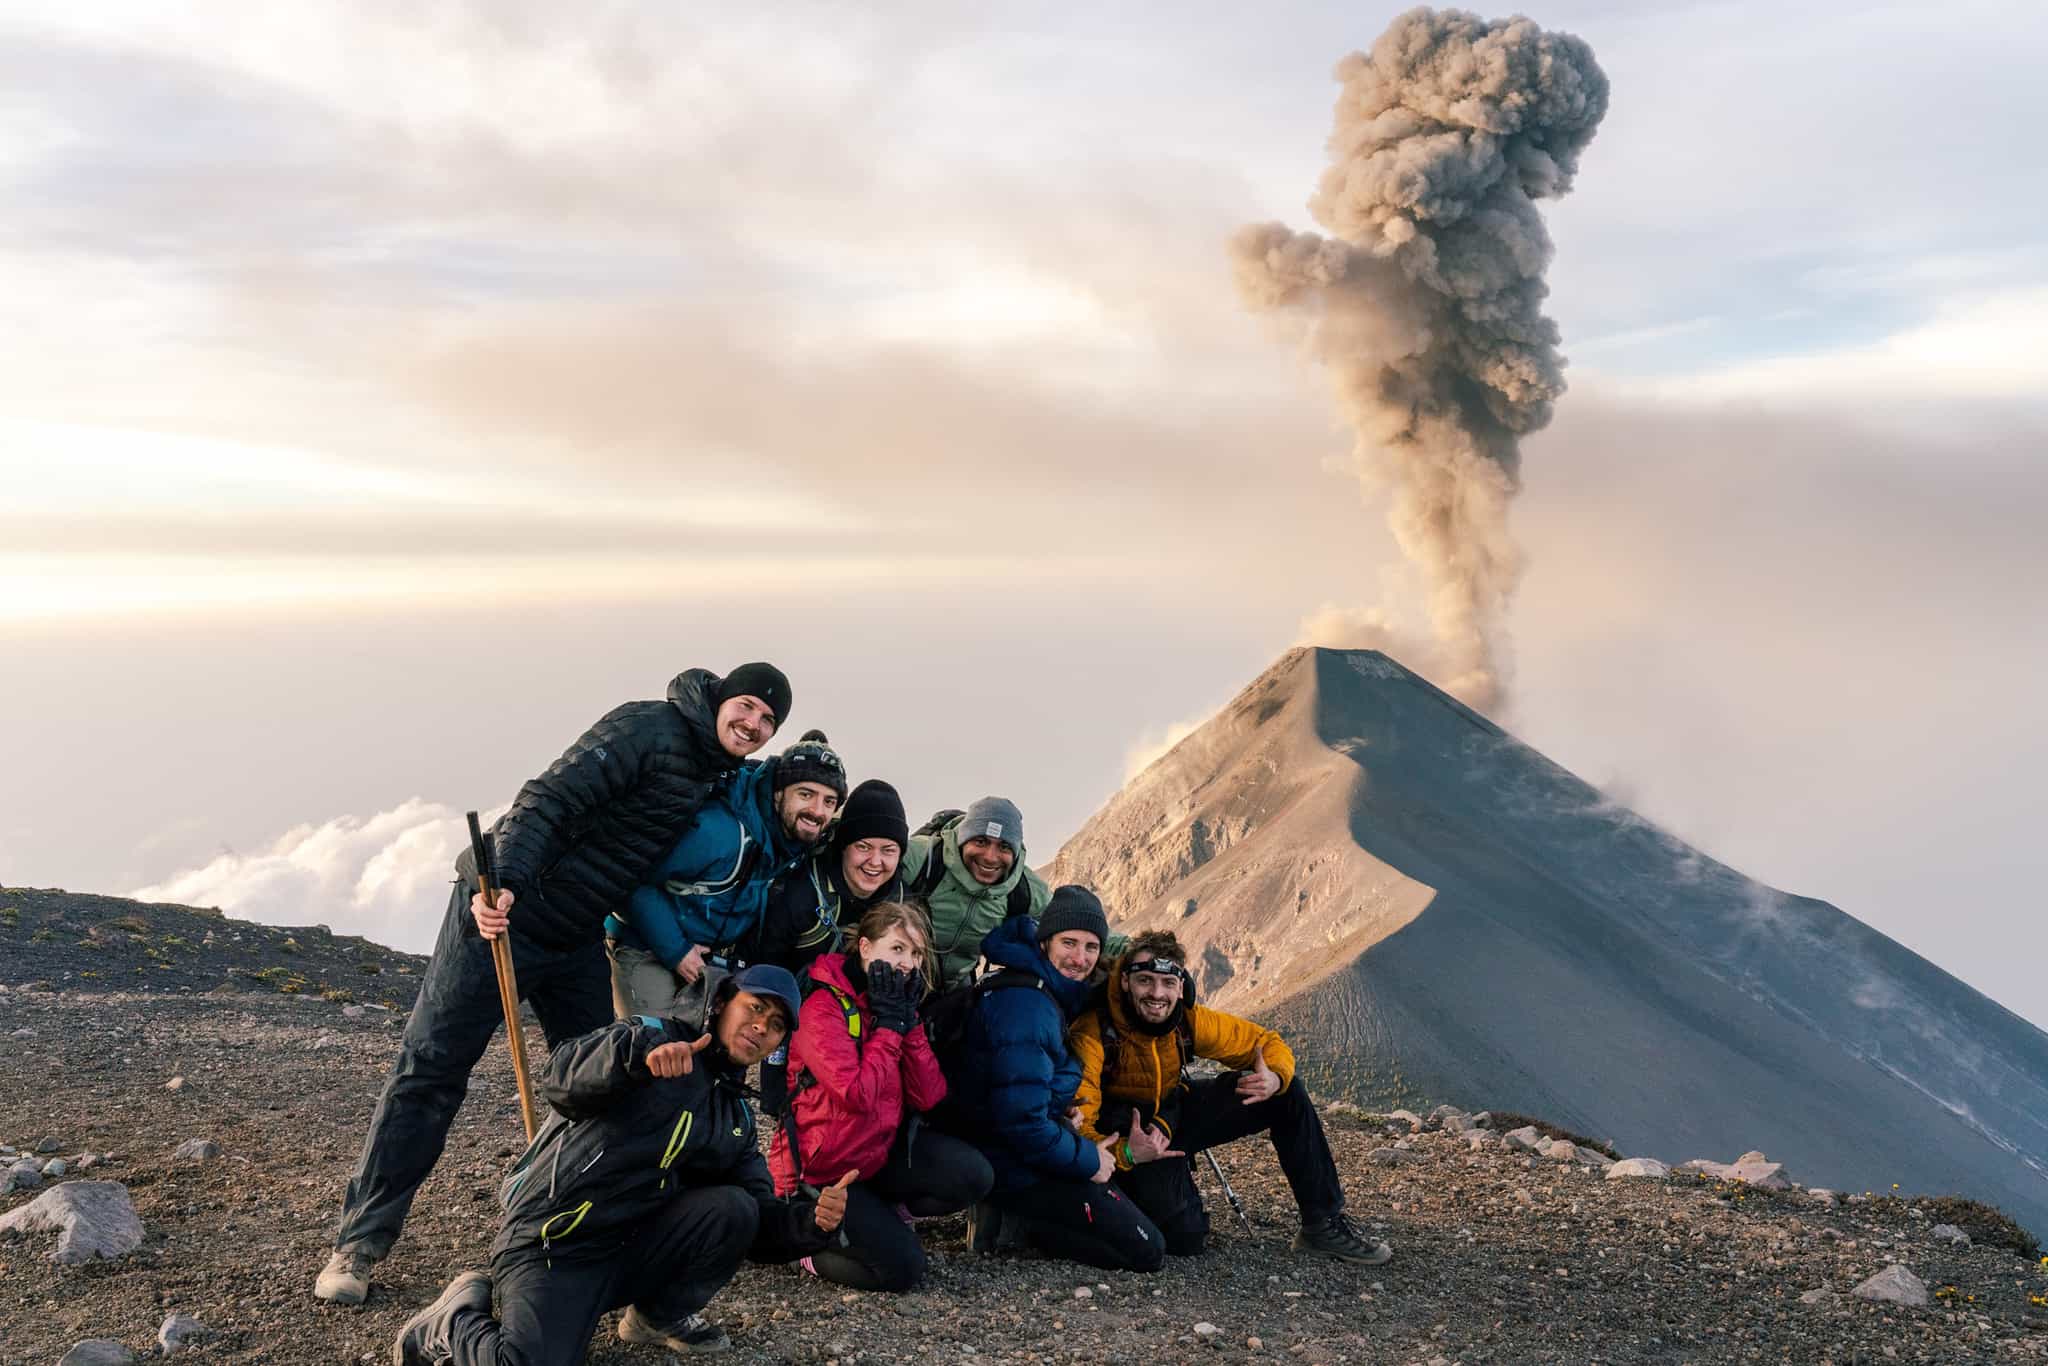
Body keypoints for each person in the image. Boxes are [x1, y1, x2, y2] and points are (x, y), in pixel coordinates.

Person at [314, 663, 793, 1306]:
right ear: (718, 699)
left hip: (576, 935)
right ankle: (360, 1242)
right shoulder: (646, 726)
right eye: (746, 708)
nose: (753, 726)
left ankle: (566, 1237)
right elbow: (547, 799)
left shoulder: (719, 769)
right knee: (432, 1068)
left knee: (602, 1084)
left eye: (768, 722)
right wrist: (503, 880)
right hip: (503, 916)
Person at [391, 965, 851, 1364]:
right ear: (722, 1001)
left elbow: (757, 1222)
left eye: (774, 1024)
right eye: (753, 1008)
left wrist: (811, 1223)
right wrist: (633, 1061)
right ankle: (454, 1320)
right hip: (555, 1243)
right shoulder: (647, 1036)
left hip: (628, 1252)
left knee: (735, 1208)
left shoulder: (735, 1115)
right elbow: (561, 1077)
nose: (760, 1027)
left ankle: (657, 1317)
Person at [1070, 929, 1393, 1265]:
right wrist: (1126, 1153)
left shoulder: (1189, 1021)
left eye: (1168, 984)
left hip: (1173, 1114)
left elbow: (1265, 1042)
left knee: (1286, 1093)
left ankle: (1322, 1225)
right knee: (1184, 1239)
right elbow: (1081, 1130)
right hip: (1125, 1135)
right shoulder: (1094, 1034)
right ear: (1125, 982)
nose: (1157, 994)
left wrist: (1273, 1076)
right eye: (1145, 981)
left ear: (1181, 988)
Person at [767, 900, 992, 1291]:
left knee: (973, 1175)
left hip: (871, 1158)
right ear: (866, 948)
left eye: (917, 953)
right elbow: (856, 1096)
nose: (908, 963)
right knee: (902, 1270)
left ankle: (880, 1215)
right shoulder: (822, 1007)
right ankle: (802, 1241)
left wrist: (909, 1024)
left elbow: (929, 1096)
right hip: (824, 1173)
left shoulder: (888, 1001)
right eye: (898, 948)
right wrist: (889, 1028)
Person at [947, 887, 1164, 1272]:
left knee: (1141, 1235)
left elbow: (1019, 1092)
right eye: (1069, 943)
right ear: (1045, 941)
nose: (1080, 959)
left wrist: (1058, 1114)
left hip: (1014, 1146)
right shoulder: (1028, 1006)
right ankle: (1027, 1223)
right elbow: (1020, 1122)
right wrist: (1086, 1159)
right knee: (1146, 1250)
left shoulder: (1045, 990)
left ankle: (1027, 1219)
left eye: (1091, 947)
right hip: (1007, 1157)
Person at [605, 730, 846, 1022]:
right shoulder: (721, 833)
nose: (817, 811)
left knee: (715, 1053)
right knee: (654, 1047)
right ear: (779, 792)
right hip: (645, 944)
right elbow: (633, 878)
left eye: (829, 801)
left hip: (705, 957)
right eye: (806, 794)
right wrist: (677, 951)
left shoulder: (790, 845)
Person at [746, 778, 912, 1115]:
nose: (875, 861)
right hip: (793, 997)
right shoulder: (801, 891)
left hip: (856, 1010)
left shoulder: (900, 900)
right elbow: (767, 965)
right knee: (782, 1106)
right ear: (844, 845)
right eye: (863, 846)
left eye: (889, 850)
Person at [896, 796, 1052, 991]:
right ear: (963, 840)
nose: (990, 857)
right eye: (980, 841)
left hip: (954, 989)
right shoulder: (922, 858)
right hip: (897, 975)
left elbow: (1071, 921)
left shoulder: (1025, 890)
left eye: (1004, 846)